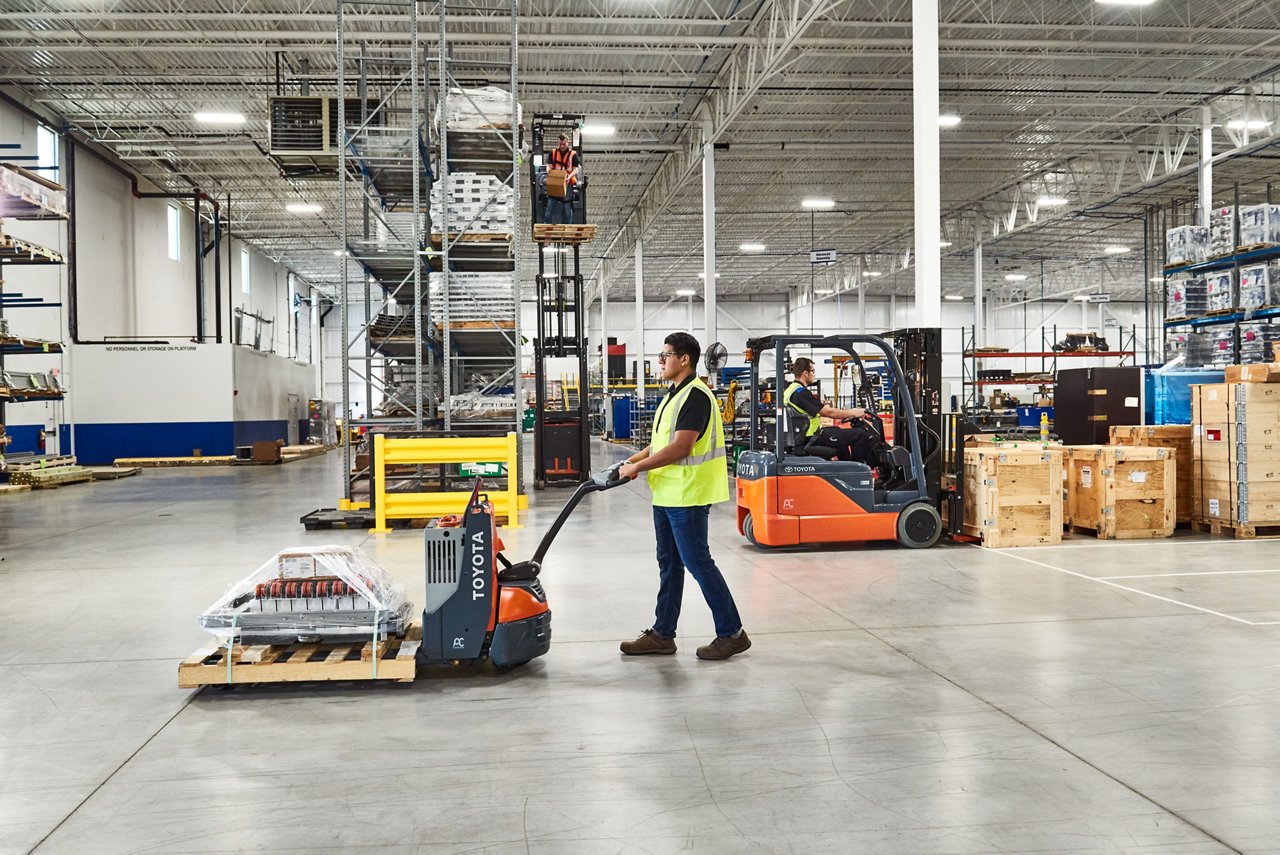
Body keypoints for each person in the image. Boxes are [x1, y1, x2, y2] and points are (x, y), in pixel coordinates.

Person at [617, 332, 750, 661]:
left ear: (684, 359)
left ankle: (732, 633)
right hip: (667, 494)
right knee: (670, 564)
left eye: (665, 355)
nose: (661, 361)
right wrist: (631, 461)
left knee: (697, 563)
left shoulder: (695, 396)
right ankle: (663, 634)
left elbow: (681, 447)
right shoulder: (673, 395)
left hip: (688, 494)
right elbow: (662, 443)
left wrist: (638, 468)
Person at [783, 357, 878, 462]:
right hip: (811, 438)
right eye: (812, 371)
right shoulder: (801, 393)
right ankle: (861, 470)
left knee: (838, 432)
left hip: (802, 436)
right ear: (805, 373)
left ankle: (846, 467)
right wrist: (854, 412)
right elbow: (828, 412)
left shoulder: (790, 390)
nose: (814, 374)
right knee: (860, 434)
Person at [543, 134, 581, 225]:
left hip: (567, 183)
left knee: (567, 207)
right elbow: (549, 166)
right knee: (550, 205)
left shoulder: (573, 154)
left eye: (564, 144)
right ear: (558, 142)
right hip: (555, 182)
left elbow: (576, 169)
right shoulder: (553, 153)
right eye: (560, 144)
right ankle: (546, 226)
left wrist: (569, 177)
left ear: (568, 143)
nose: (562, 146)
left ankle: (566, 227)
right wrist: (550, 173)